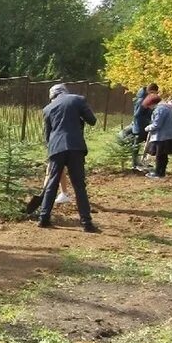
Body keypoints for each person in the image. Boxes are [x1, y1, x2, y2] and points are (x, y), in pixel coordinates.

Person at [38, 83, 98, 232]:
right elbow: (92, 120)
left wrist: (51, 152)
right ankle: (86, 223)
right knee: (79, 185)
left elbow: (47, 135)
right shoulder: (77, 99)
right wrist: (78, 121)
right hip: (75, 147)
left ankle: (43, 218)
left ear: (52, 96)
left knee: (52, 183)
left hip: (56, 148)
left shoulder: (47, 109)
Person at [144, 98, 172, 179]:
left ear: (152, 103)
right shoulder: (167, 108)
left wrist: (148, 128)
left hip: (163, 136)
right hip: (170, 135)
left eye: (149, 106)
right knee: (163, 155)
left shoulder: (160, 109)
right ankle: (162, 172)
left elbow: (157, 124)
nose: (150, 108)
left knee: (159, 155)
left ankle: (158, 173)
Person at [130, 84, 160, 169]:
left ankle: (143, 162)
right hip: (140, 127)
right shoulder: (142, 101)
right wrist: (148, 119)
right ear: (150, 91)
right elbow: (137, 115)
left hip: (145, 126)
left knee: (147, 145)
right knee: (137, 146)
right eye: (154, 92)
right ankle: (135, 164)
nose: (154, 94)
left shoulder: (147, 99)